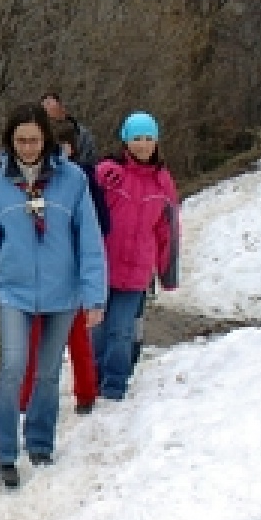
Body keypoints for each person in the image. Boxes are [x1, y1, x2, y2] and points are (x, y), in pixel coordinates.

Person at [0, 103, 108, 489]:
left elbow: (90, 241)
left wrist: (95, 296)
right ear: (10, 142)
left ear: (46, 139)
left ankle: (41, 444)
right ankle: (5, 454)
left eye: (34, 140)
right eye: (20, 141)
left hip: (63, 292)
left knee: (48, 372)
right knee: (13, 367)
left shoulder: (73, 180)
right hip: (14, 291)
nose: (27, 148)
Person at [17, 117, 109, 415]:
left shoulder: (80, 179)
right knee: (31, 342)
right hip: (34, 277)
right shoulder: (27, 180)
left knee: (77, 339)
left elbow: (98, 227)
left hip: (69, 277)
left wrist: (89, 275)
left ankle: (86, 392)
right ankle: (24, 398)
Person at [90, 112, 180, 401]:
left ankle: (115, 386)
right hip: (101, 267)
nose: (142, 145)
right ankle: (93, 381)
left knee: (121, 331)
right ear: (125, 141)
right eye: (136, 138)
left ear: (156, 142)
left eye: (148, 139)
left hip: (136, 271)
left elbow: (169, 231)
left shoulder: (163, 182)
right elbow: (83, 214)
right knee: (98, 331)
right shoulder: (107, 173)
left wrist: (167, 273)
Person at [41, 92, 100, 167]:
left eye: (54, 110)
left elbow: (90, 164)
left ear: (62, 109)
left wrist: (70, 158)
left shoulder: (82, 135)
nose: (51, 120)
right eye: (46, 116)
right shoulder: (39, 140)